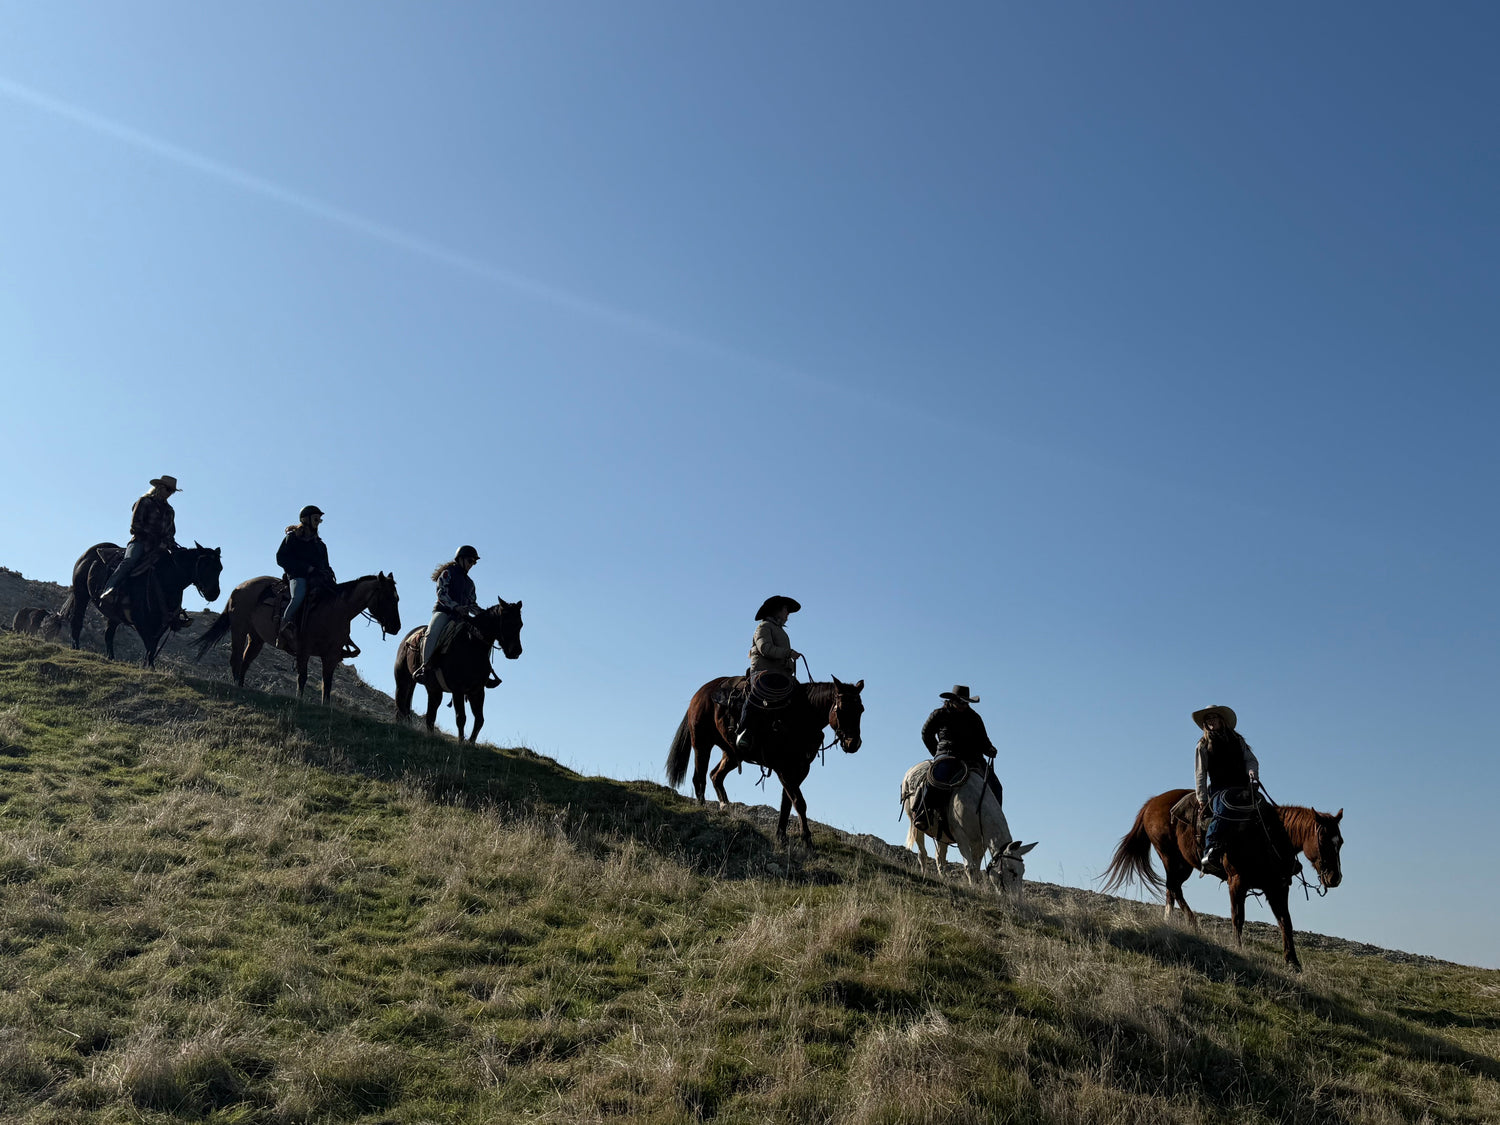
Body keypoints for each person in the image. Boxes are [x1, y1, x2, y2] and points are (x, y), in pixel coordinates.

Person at [1192, 704, 1261, 878]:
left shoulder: (1238, 740)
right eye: (1207, 719)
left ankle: (1280, 853)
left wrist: (1252, 773)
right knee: (1222, 813)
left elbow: (1251, 760)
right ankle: (1210, 851)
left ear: (1221, 719)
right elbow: (1200, 772)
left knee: (1265, 810)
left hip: (1243, 786)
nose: (1211, 721)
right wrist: (1202, 798)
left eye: (1213, 717)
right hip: (1219, 789)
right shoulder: (1203, 745)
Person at [98, 475, 181, 605]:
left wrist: (171, 544)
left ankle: (173, 609)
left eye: (172, 491)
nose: (170, 493)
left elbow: (170, 532)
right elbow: (135, 525)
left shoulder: (169, 511)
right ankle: (109, 589)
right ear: (159, 487)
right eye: (168, 489)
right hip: (140, 542)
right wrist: (153, 537)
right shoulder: (145, 502)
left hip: (160, 547)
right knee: (130, 560)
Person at [736, 595, 802, 750]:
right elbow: (765, 649)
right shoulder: (763, 627)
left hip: (780, 675)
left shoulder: (779, 631)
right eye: (786, 610)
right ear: (776, 611)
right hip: (763, 672)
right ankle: (743, 731)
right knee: (758, 693)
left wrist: (789, 665)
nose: (788, 614)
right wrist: (788, 653)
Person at [921, 686, 1004, 805]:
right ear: (952, 700)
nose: (963, 705)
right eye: (960, 701)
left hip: (973, 759)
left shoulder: (974, 717)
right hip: (948, 756)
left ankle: (997, 820)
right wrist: (938, 753)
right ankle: (922, 813)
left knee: (996, 787)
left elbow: (983, 740)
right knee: (934, 780)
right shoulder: (939, 714)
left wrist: (989, 749)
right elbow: (926, 734)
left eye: (965, 702)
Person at [416, 545, 481, 678]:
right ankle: (425, 668)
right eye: (470, 561)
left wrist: (484, 615)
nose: (472, 565)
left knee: (480, 636)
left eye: (474, 562)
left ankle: (481, 673)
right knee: (432, 633)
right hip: (443, 612)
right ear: (461, 559)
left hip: (462, 618)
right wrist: (456, 606)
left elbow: (472, 604)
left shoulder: (470, 583)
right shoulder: (447, 572)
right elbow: (441, 593)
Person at [276, 505, 335, 647]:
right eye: (316, 518)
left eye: (319, 520)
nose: (318, 522)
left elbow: (325, 564)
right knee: (299, 596)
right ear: (305, 519)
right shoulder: (292, 538)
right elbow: (281, 558)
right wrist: (305, 568)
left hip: (317, 578)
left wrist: (327, 573)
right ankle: (283, 627)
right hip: (297, 576)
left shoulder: (320, 545)